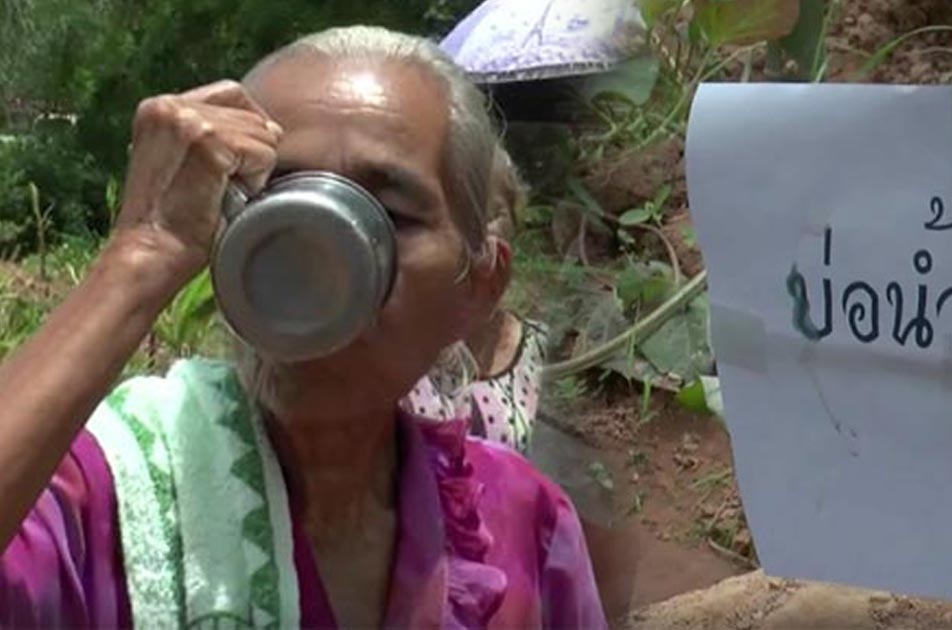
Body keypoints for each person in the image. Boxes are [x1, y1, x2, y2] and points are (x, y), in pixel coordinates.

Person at [0, 25, 606, 629]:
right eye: (274, 206)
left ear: (478, 285)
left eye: (388, 216)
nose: (318, 258)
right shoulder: (98, 495)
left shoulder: (522, 524)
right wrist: (140, 252)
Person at [402, 144, 548, 455]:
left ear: (516, 219)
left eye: (491, 214)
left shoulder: (543, 350)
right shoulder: (390, 353)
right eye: (454, 217)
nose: (473, 235)